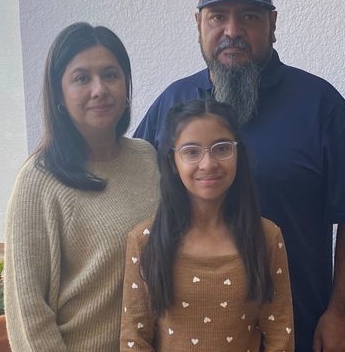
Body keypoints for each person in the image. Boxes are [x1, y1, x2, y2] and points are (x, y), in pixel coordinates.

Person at [134, 0, 345, 352]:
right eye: (218, 17)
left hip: (298, 331)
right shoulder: (171, 105)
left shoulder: (321, 105)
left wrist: (340, 312)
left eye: (248, 16)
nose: (232, 31)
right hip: (190, 338)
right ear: (198, 24)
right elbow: (133, 198)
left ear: (272, 24)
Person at [5, 22, 160, 351]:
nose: (99, 89)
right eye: (81, 78)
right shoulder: (38, 181)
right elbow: (27, 312)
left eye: (110, 75)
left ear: (127, 85)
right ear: (59, 94)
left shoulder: (147, 158)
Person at [121, 99, 293, 351]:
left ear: (238, 154)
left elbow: (280, 336)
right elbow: (135, 339)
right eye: (192, 152)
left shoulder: (266, 237)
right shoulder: (144, 240)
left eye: (221, 148)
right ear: (173, 161)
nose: (208, 164)